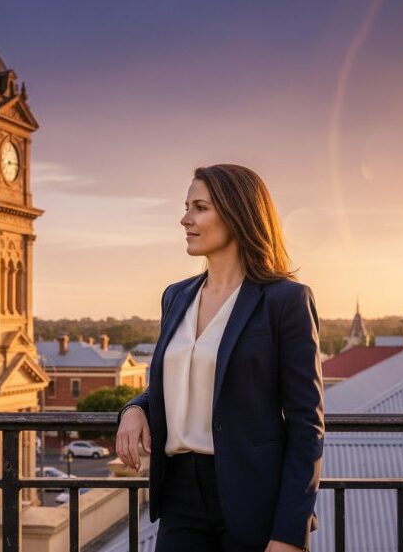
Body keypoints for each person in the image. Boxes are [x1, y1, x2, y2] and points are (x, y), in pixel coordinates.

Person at [115, 164, 324, 552]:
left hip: (252, 498)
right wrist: (133, 408)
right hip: (179, 496)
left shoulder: (285, 301)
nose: (185, 219)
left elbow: (306, 425)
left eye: (199, 208)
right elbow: (174, 382)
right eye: (186, 207)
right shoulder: (176, 296)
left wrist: (289, 533)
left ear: (237, 213)